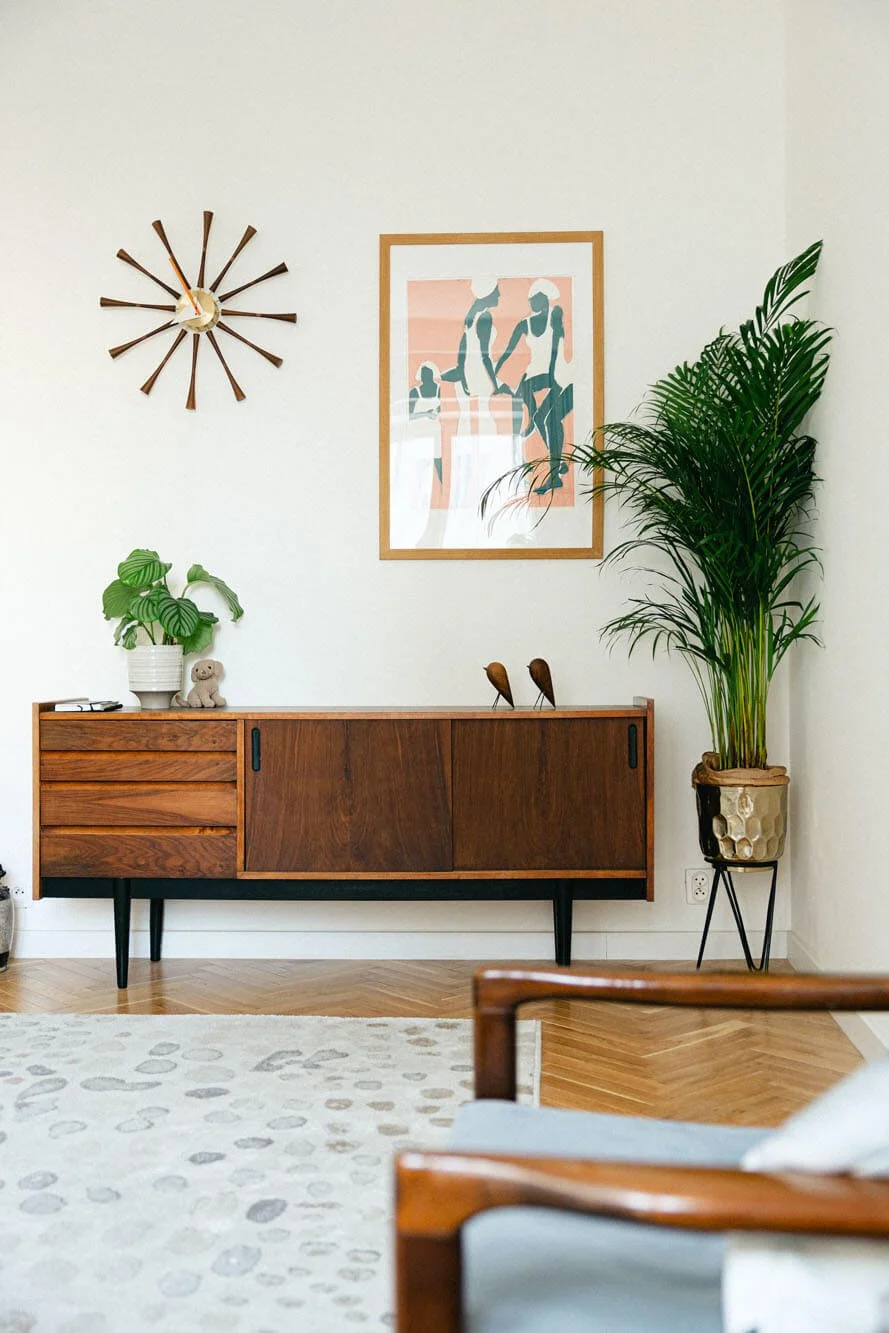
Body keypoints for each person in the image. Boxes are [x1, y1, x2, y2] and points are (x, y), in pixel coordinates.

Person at [495, 277, 574, 494]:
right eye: (530, 298)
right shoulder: (525, 323)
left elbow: (556, 348)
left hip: (561, 376)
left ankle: (555, 475)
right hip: (543, 373)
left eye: (535, 298)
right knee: (539, 415)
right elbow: (509, 349)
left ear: (544, 299)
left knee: (549, 420)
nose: (531, 301)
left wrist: (552, 375)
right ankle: (558, 462)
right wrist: (497, 367)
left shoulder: (555, 316)